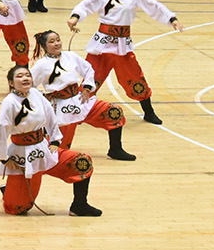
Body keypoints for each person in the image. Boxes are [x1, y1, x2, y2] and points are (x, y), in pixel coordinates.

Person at [68, 0, 182, 125]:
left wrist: (172, 19)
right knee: (91, 78)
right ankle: (77, 112)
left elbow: (153, 5)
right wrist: (75, 18)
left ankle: (149, 112)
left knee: (135, 77)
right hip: (102, 45)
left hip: (123, 46)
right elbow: (84, 6)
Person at [0, 65, 101, 216]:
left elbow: (50, 117)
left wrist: (55, 140)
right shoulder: (9, 102)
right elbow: (0, 130)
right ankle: (10, 189)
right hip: (23, 156)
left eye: (27, 75)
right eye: (19, 76)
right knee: (16, 208)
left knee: (81, 162)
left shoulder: (36, 94)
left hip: (44, 150)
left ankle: (79, 205)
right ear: (11, 83)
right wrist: (4, 158)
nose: (25, 78)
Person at [31, 30, 136, 161]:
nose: (57, 43)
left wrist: (87, 88)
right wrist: (42, 97)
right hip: (61, 108)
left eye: (58, 40)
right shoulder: (41, 65)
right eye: (52, 42)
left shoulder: (71, 56)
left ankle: (115, 149)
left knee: (113, 112)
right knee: (57, 152)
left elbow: (88, 69)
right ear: (44, 46)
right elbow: (29, 86)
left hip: (80, 100)